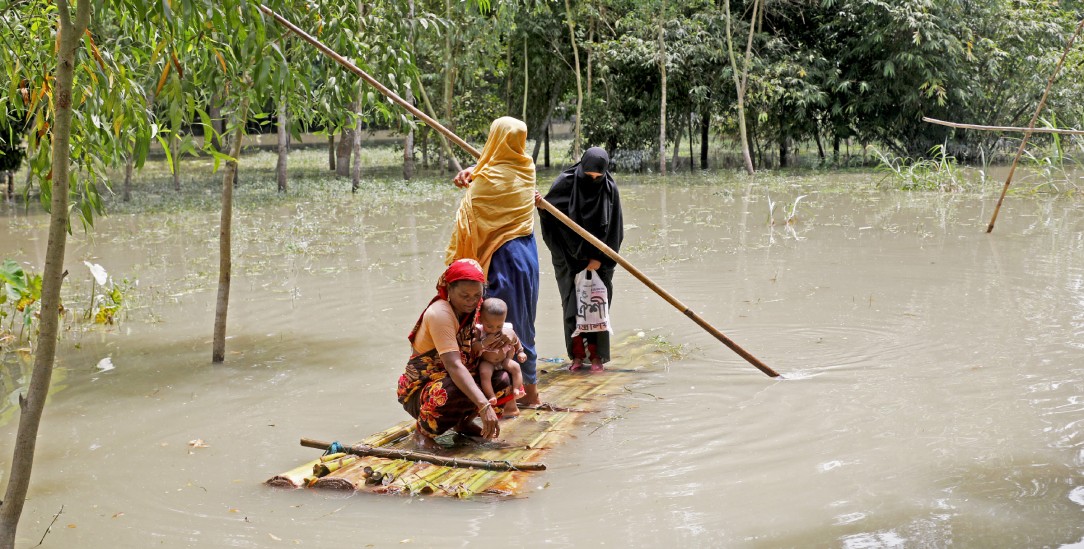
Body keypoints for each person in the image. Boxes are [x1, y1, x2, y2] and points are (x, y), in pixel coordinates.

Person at [448, 116, 541, 405]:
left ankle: (512, 396)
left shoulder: (485, 181)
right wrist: (474, 171)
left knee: (497, 325)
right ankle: (528, 389)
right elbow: (498, 170)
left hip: (501, 258)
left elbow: (472, 216)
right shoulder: (527, 169)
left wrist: (473, 177)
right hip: (527, 256)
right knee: (523, 322)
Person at [396, 259, 513, 447]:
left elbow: (498, 327)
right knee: (452, 388)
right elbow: (454, 366)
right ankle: (423, 433)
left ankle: (463, 424)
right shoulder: (440, 313)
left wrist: (506, 334)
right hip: (422, 391)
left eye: (476, 295)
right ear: (449, 289)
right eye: (464, 296)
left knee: (503, 379)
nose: (471, 301)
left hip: (454, 378)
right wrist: (483, 405)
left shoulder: (477, 307)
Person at [537, 147, 624, 372]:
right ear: (582, 169)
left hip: (599, 261)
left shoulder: (609, 189)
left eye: (598, 177)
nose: (593, 180)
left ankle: (597, 357)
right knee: (572, 308)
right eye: (589, 176)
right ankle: (576, 356)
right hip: (568, 260)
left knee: (597, 307)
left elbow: (614, 230)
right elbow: (549, 216)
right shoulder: (565, 183)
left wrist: (600, 259)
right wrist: (541, 205)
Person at [473, 297, 527, 417]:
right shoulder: (479, 331)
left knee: (516, 367)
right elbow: (474, 347)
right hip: (488, 361)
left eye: (499, 326)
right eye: (490, 326)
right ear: (481, 319)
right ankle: (491, 395)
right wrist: (484, 342)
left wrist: (520, 351)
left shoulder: (507, 329)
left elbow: (516, 340)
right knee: (484, 373)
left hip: (503, 360)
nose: (494, 329)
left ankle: (517, 390)